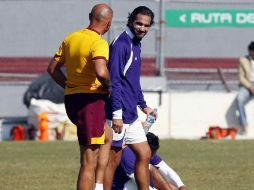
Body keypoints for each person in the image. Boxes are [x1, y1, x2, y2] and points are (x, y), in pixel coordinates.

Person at [47, 3, 113, 190]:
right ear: (108, 24)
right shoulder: (99, 42)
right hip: (90, 103)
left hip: (73, 100)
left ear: (89, 16)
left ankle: (99, 185)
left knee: (108, 135)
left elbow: (52, 69)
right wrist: (110, 86)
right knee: (88, 162)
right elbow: (101, 71)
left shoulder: (72, 37)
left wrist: (69, 85)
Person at [104, 6, 156, 190]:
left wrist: (143, 105)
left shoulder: (136, 43)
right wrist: (116, 115)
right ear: (131, 21)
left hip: (131, 114)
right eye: (139, 23)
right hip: (119, 115)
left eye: (146, 25)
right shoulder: (121, 44)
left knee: (144, 153)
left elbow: (133, 81)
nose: (142, 28)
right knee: (113, 159)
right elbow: (115, 81)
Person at [112, 132, 187, 190]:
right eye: (152, 153)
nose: (153, 156)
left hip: (133, 183)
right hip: (121, 186)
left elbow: (165, 169)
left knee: (171, 186)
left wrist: (181, 185)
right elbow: (143, 185)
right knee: (150, 169)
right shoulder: (127, 155)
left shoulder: (145, 150)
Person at [236, 41, 254, 135]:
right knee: (239, 99)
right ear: (250, 51)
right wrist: (250, 86)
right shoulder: (243, 60)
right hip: (247, 85)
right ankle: (244, 124)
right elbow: (241, 78)